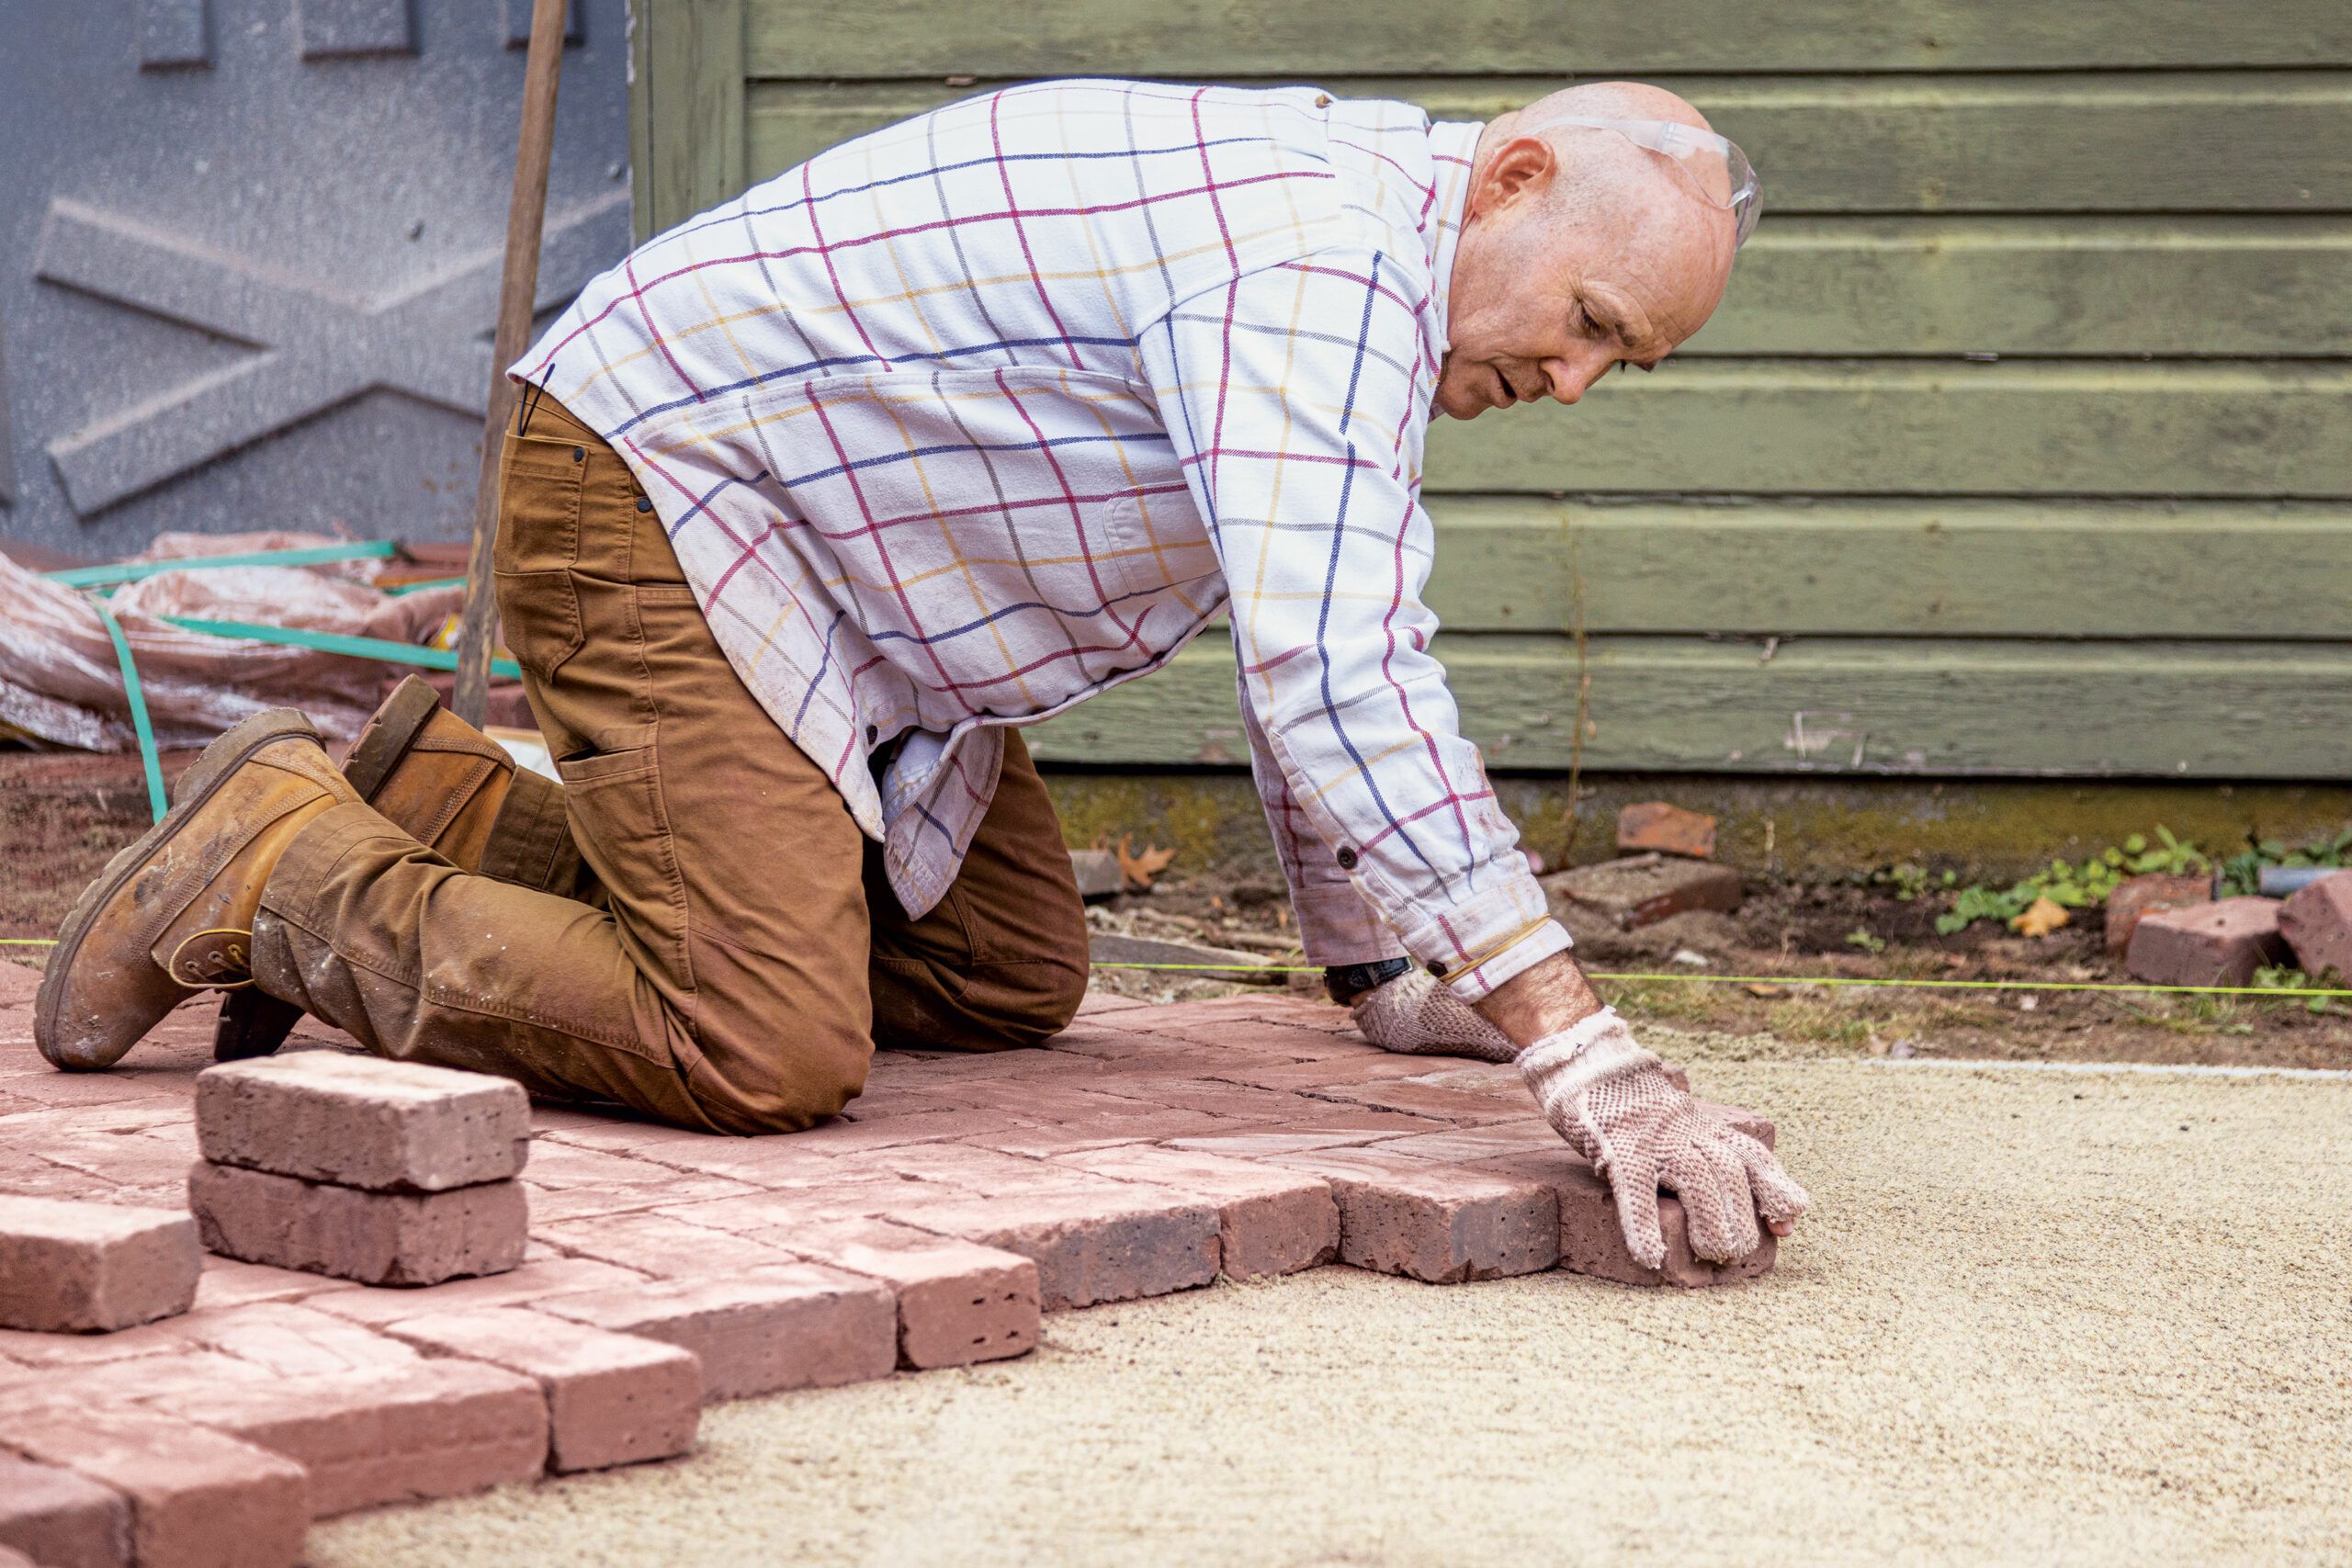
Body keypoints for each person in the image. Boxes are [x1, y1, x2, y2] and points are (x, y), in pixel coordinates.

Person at [36, 78, 1804, 1270]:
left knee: (1002, 966)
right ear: (1508, 184)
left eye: (1620, 367)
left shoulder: (1373, 277)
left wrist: (1375, 984)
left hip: (854, 588)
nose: (1575, 384)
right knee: (759, 1040)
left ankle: (435, 803)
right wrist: (1585, 1057)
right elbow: (1335, 667)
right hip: (665, 485)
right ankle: (287, 868)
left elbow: (1315, 660)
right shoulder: (1318, 260)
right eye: (1588, 324)